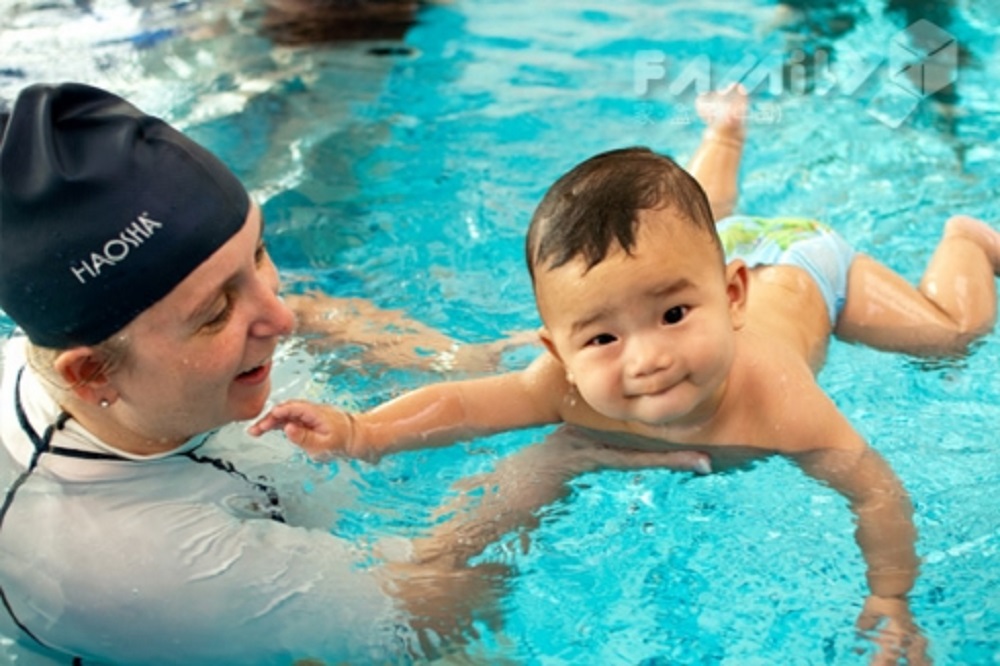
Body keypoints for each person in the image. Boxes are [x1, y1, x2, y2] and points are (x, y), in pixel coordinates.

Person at [252, 86, 1000, 664]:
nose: (646, 358)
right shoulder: (567, 384)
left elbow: (874, 488)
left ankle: (968, 242)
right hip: (705, 251)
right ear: (557, 349)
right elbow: (464, 405)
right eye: (603, 336)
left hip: (804, 268)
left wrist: (891, 597)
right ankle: (722, 136)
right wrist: (362, 430)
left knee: (950, 335)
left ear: (730, 298)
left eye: (675, 318)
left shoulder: (780, 400)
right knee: (685, 221)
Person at [0, 82, 710, 665]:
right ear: (93, 372)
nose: (276, 314)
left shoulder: (144, 367)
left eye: (259, 255)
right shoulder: (148, 568)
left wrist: (449, 358)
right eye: (217, 312)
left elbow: (304, 311)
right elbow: (432, 612)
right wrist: (559, 460)